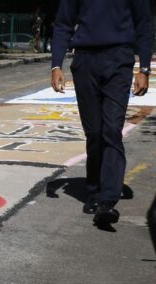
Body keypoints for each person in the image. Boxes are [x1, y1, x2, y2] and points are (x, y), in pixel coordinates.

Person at [50, 0, 151, 226]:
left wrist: (144, 67)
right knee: (94, 132)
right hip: (85, 60)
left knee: (112, 130)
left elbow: (144, 24)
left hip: (119, 60)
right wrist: (56, 65)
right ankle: (94, 190)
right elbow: (63, 24)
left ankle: (107, 200)